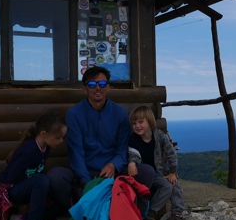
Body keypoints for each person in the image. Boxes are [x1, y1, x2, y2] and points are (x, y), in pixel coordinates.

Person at [48, 66, 155, 209]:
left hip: (112, 171)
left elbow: (122, 148)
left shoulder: (120, 113)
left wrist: (113, 165)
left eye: (102, 84)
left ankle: (130, 212)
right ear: (84, 89)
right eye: (92, 84)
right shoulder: (74, 114)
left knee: (146, 172)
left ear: (108, 87)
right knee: (55, 176)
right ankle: (76, 212)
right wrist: (87, 182)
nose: (98, 88)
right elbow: (76, 153)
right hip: (85, 171)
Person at [0, 113, 67, 220]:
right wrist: (35, 184)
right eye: (58, 137)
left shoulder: (45, 147)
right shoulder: (29, 150)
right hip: (13, 190)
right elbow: (11, 177)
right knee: (42, 180)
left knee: (60, 204)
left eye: (63, 137)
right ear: (43, 134)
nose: (61, 141)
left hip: (30, 186)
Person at [127, 105, 185, 220]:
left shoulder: (159, 136)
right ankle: (152, 212)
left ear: (150, 121)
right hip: (147, 175)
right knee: (167, 186)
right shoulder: (134, 139)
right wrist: (131, 163)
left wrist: (172, 172)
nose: (137, 126)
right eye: (134, 123)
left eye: (141, 122)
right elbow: (133, 154)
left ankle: (176, 215)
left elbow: (171, 154)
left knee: (174, 184)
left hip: (160, 172)